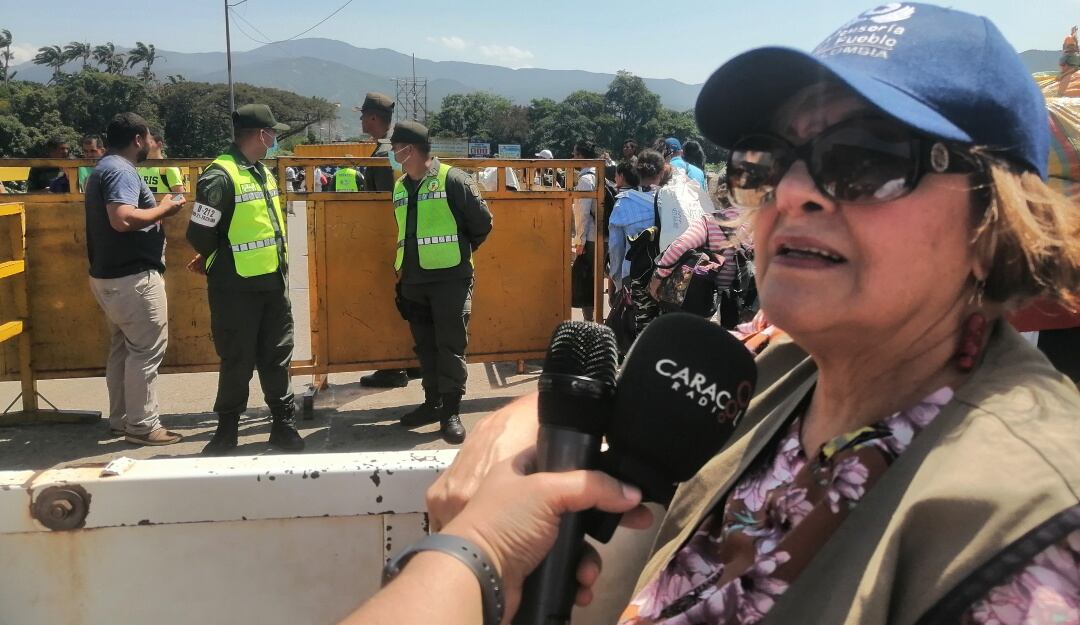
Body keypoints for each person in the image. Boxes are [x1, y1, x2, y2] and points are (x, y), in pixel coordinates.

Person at [357, 5, 1080, 625]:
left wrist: (467, 560)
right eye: (770, 157)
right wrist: (528, 419)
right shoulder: (779, 360)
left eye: (863, 157)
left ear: (998, 220)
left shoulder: (1032, 535)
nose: (794, 189)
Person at [187, 104, 304, 455]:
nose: (275, 139)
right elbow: (200, 232)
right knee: (237, 358)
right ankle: (226, 431)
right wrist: (215, 259)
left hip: (271, 282)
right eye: (273, 133)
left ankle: (283, 425)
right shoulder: (220, 176)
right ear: (259, 134)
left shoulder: (260, 172)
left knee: (277, 354)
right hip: (235, 287)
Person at [84, 112, 186, 446]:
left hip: (110, 276)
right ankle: (143, 426)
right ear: (139, 140)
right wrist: (165, 209)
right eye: (148, 138)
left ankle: (123, 419)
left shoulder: (105, 168)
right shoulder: (120, 170)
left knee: (124, 349)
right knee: (145, 351)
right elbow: (123, 219)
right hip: (133, 278)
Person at [390, 121, 492, 444]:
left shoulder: (453, 179)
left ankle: (450, 411)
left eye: (397, 148)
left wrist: (460, 252)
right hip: (414, 281)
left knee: (450, 347)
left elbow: (482, 223)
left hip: (450, 279)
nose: (393, 153)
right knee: (425, 348)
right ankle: (431, 403)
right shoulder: (400, 185)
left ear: (411, 149)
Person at [358, 92, 424, 389]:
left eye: (363, 115)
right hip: (408, 239)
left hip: (389, 240)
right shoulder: (398, 150)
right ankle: (412, 362)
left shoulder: (384, 155)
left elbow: (387, 203)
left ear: (373, 118)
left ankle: (392, 367)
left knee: (388, 303)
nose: (361, 120)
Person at [607, 159, 652, 291]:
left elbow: (616, 246)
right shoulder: (656, 198)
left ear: (621, 176)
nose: (614, 178)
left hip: (631, 271)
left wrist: (615, 275)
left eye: (616, 175)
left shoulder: (622, 203)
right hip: (657, 269)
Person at [571, 140, 599, 320]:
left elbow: (582, 213)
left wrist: (579, 241)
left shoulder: (585, 179)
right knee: (595, 279)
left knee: (585, 281)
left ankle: (589, 322)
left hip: (589, 237)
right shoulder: (600, 173)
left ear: (581, 156)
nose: (573, 158)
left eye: (574, 154)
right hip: (602, 235)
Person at [138, 127, 186, 195]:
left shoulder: (169, 168)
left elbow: (180, 196)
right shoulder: (138, 168)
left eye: (150, 142)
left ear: (159, 144)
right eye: (144, 142)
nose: (145, 145)